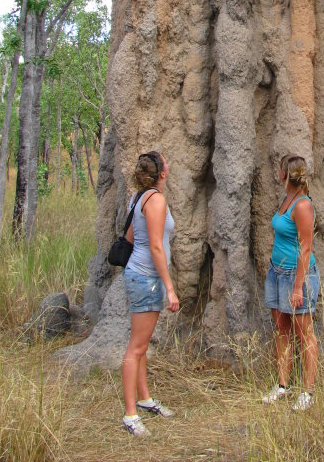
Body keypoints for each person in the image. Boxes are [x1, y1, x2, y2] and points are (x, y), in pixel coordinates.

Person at [121, 151, 180, 437]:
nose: (169, 164)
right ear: (162, 173)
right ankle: (130, 414)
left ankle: (144, 399)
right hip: (147, 279)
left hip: (138, 274)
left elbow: (133, 238)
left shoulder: (138, 198)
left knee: (141, 346)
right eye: (165, 163)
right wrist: (170, 287)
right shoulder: (155, 200)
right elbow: (156, 247)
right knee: (136, 348)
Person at [262, 154, 320, 412]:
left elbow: (306, 248)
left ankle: (308, 391)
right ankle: (283, 385)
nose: (277, 171)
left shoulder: (303, 205)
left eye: (279, 167)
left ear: (284, 172)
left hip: (296, 276)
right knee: (281, 329)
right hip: (276, 273)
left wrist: (298, 286)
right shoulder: (287, 200)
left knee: (304, 333)